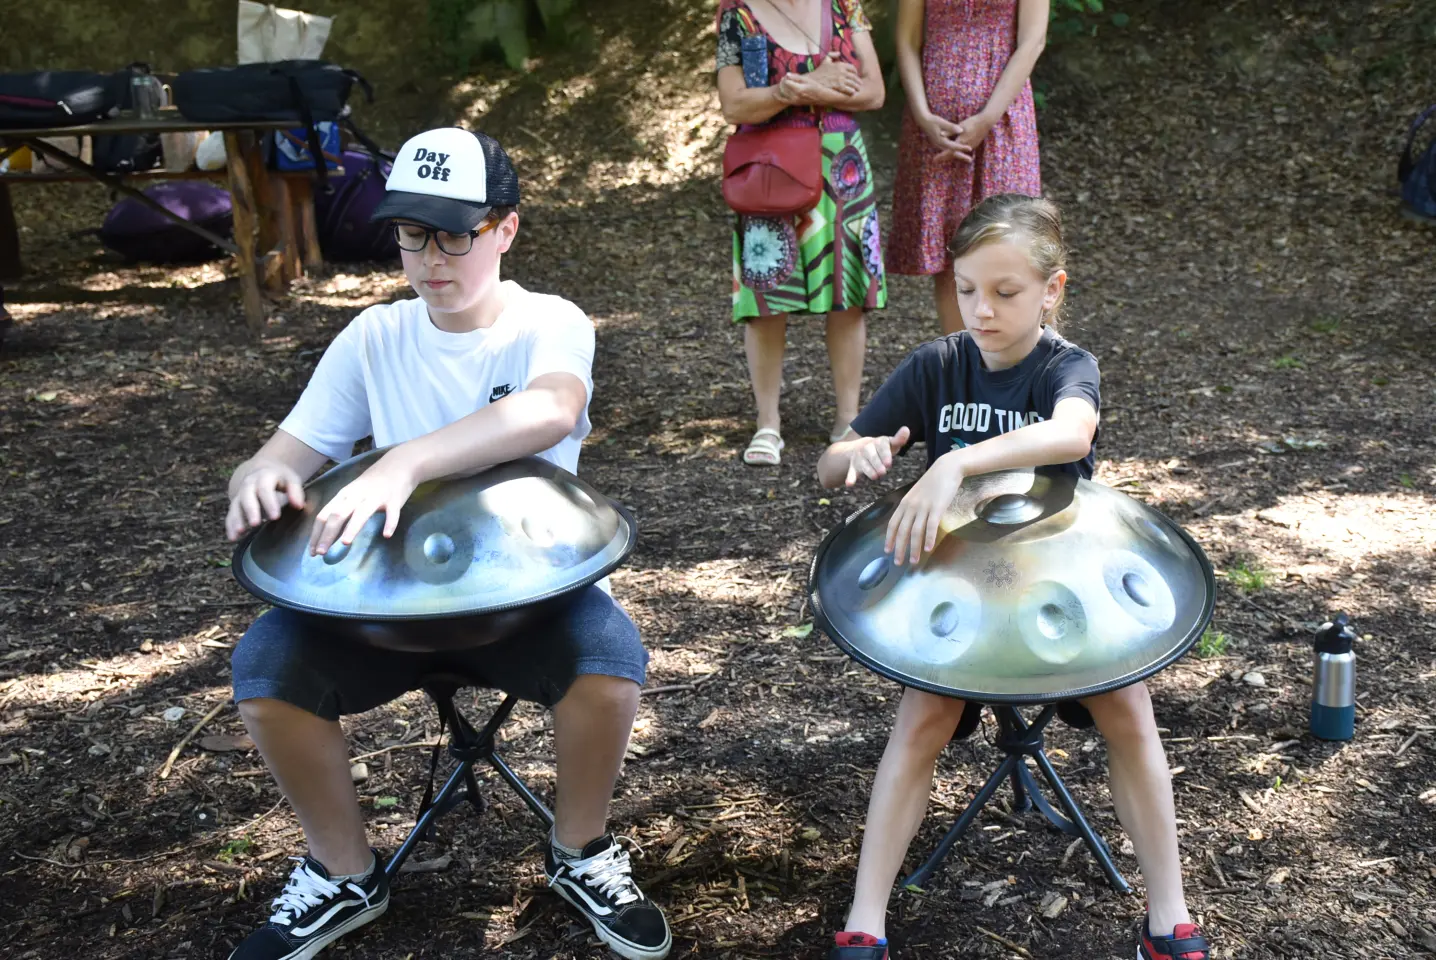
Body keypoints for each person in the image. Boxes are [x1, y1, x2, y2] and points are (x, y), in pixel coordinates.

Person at [222, 127, 671, 960]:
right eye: (413, 234)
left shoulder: (549, 322)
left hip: (529, 600)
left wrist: (405, 462)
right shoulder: (374, 338)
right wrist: (257, 475)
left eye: (456, 233)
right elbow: (289, 450)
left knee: (609, 663)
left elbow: (550, 412)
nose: (433, 258)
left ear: (504, 229)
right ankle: (343, 871)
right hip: (382, 608)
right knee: (267, 672)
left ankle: (581, 851)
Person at [816, 195, 1211, 960]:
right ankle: (867, 917)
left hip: (1065, 604)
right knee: (920, 718)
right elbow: (833, 459)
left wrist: (956, 461)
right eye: (967, 289)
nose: (982, 311)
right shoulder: (938, 366)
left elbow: (1071, 432)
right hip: (961, 602)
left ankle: (1170, 914)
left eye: (1005, 293)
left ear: (1051, 290)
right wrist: (853, 457)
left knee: (1129, 706)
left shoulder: (1067, 366)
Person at [715, 0, 887, 466]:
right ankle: (767, 424)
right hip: (770, 164)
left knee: (849, 296)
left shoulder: (844, 7)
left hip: (842, 164)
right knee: (767, 295)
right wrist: (810, 87)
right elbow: (734, 102)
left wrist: (791, 90)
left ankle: (848, 420)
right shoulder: (740, 15)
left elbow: (874, 92)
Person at [887, 0, 1047, 336]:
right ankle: (963, 371)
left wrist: (988, 117)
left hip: (1004, 121)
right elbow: (907, 38)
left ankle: (1010, 370)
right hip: (934, 128)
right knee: (951, 254)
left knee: (1010, 244)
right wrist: (922, 115)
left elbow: (1033, 41)